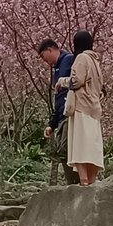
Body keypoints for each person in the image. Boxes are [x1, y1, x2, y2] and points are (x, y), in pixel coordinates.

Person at [56, 30, 104, 186]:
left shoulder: (82, 58)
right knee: (93, 145)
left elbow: (77, 81)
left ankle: (83, 180)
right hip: (94, 107)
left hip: (82, 106)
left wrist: (62, 82)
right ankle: (91, 180)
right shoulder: (95, 60)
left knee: (80, 145)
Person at [37, 38, 78, 185]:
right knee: (63, 153)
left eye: (43, 56)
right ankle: (73, 184)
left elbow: (75, 83)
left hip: (70, 115)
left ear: (50, 50)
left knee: (65, 151)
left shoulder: (68, 60)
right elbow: (58, 97)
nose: (44, 61)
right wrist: (52, 124)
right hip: (61, 117)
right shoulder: (56, 69)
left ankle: (77, 185)